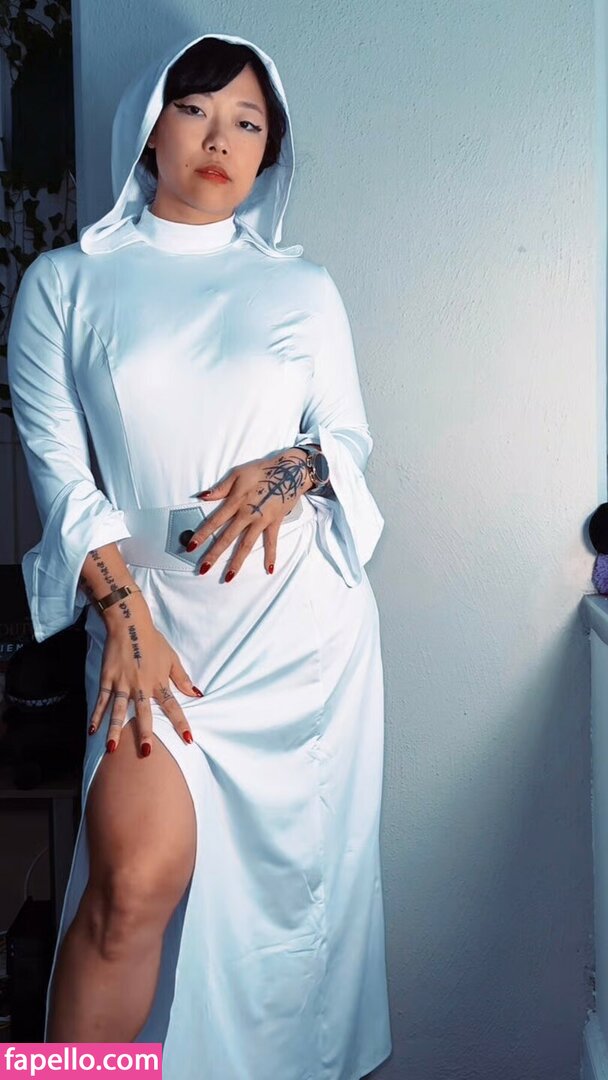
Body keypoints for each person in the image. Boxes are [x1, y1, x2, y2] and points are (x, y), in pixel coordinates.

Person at [7, 30, 392, 1080]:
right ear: (150, 126)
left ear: (269, 153)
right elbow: (60, 478)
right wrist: (123, 618)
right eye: (196, 110)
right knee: (130, 889)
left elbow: (346, 441)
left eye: (247, 123)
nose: (220, 140)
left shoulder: (301, 287)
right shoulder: (65, 282)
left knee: (285, 936)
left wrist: (291, 468)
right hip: (151, 626)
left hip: (297, 641)